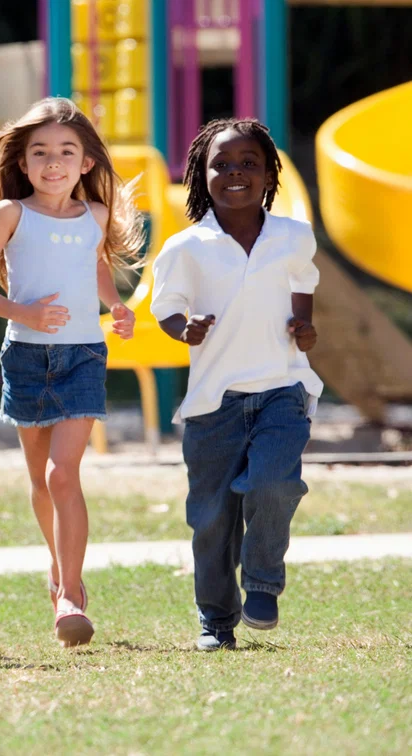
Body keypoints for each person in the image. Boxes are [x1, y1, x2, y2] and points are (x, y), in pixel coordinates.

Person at [0, 97, 144, 647]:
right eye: (39, 152)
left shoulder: (96, 216)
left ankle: (70, 590)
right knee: (40, 480)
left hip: (83, 355)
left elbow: (96, 267)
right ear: (23, 162)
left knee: (64, 474)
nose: (53, 162)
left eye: (66, 152)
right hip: (26, 358)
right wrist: (26, 313)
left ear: (86, 162)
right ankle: (59, 569)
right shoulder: (10, 214)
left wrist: (115, 306)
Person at [150, 118, 321, 651]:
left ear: (270, 173)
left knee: (274, 484)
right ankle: (216, 622)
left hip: (282, 387)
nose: (235, 173)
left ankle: (264, 584)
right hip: (213, 402)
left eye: (248, 163)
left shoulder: (292, 236)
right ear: (201, 176)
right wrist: (187, 330)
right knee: (212, 520)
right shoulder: (187, 247)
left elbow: (304, 284)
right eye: (220, 164)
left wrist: (303, 327)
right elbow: (166, 309)